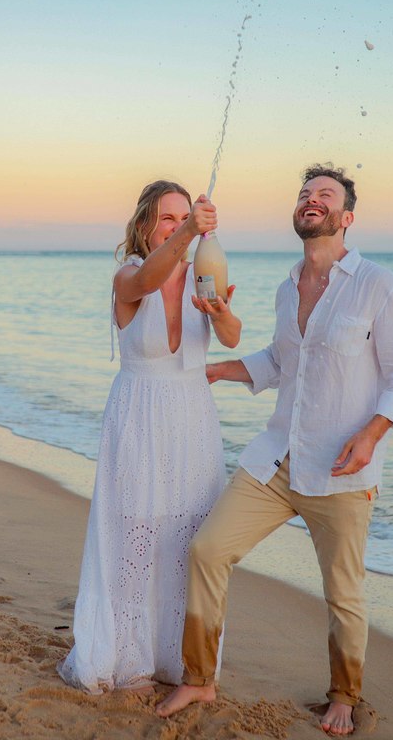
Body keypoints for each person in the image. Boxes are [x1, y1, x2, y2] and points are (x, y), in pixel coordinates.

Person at [156, 164, 393, 736]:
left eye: (325, 194)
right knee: (207, 550)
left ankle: (344, 696)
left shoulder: (378, 285)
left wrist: (371, 434)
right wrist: (218, 370)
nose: (312, 199)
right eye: (305, 193)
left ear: (346, 217)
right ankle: (199, 677)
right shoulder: (288, 287)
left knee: (343, 593)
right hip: (276, 459)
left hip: (341, 468)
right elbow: (280, 361)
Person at [59, 180, 242, 694]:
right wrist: (188, 233)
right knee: (135, 534)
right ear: (145, 225)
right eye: (168, 218)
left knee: (189, 536)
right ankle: (129, 658)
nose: (179, 226)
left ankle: (180, 659)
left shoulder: (202, 273)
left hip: (193, 417)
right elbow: (148, 278)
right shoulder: (130, 275)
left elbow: (232, 338)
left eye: (186, 217)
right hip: (139, 415)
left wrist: (223, 314)